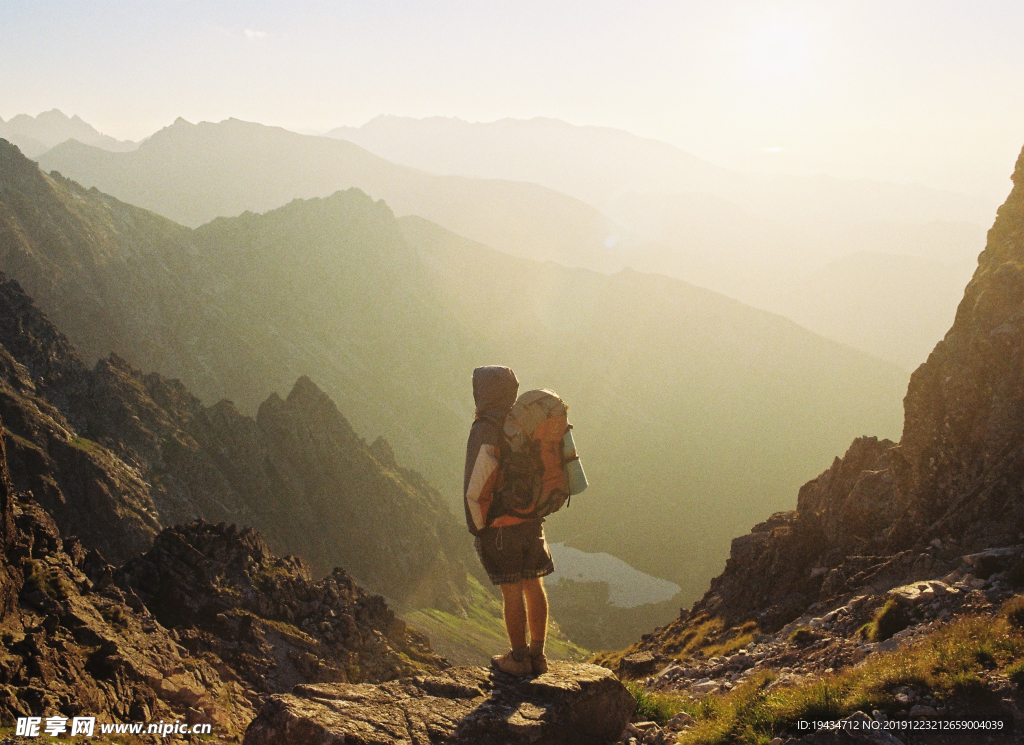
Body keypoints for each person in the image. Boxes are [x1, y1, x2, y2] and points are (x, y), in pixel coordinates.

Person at [464, 365, 554, 676]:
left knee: (512, 590)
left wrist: (478, 527)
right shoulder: (523, 423)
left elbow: (477, 483)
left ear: (482, 392)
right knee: (534, 582)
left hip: (501, 526)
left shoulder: (485, 428)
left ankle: (517, 659)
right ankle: (538, 655)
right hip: (531, 520)